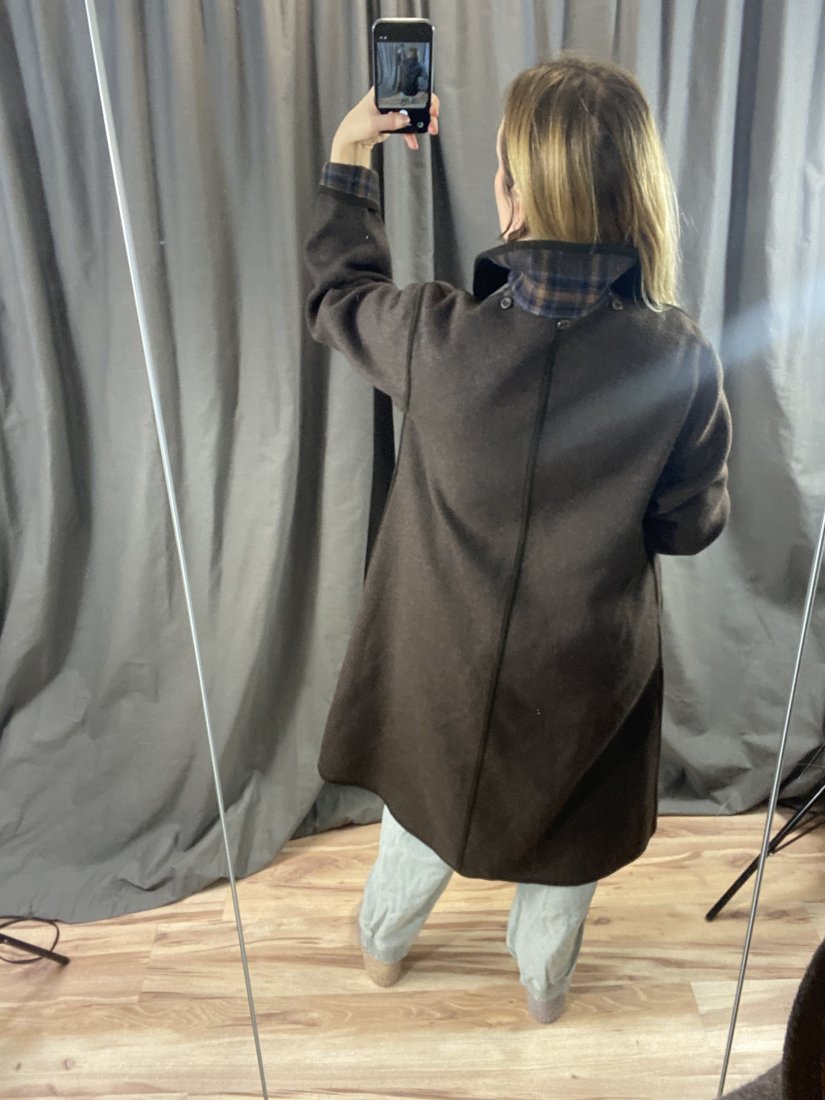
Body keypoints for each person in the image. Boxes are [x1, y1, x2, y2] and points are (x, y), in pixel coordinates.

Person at [303, 56, 732, 1025]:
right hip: (586, 671)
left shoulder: (435, 335)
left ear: (516, 193)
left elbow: (337, 293)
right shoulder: (680, 356)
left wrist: (349, 152)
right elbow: (690, 524)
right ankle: (543, 989)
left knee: (419, 819)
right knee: (566, 847)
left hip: (442, 663)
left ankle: (383, 948)